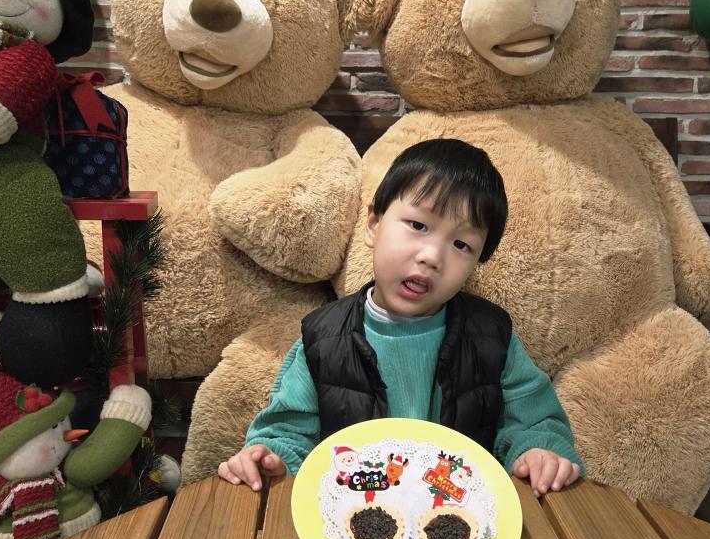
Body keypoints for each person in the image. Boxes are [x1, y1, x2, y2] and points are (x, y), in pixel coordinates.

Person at [218, 139, 583, 497]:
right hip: (355, 510)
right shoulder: (323, 339)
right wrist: (271, 458)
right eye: (418, 225)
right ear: (374, 224)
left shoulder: (491, 337)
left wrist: (538, 452)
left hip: (456, 511)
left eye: (461, 245)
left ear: (477, 261)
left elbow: (535, 421)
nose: (431, 256)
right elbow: (288, 433)